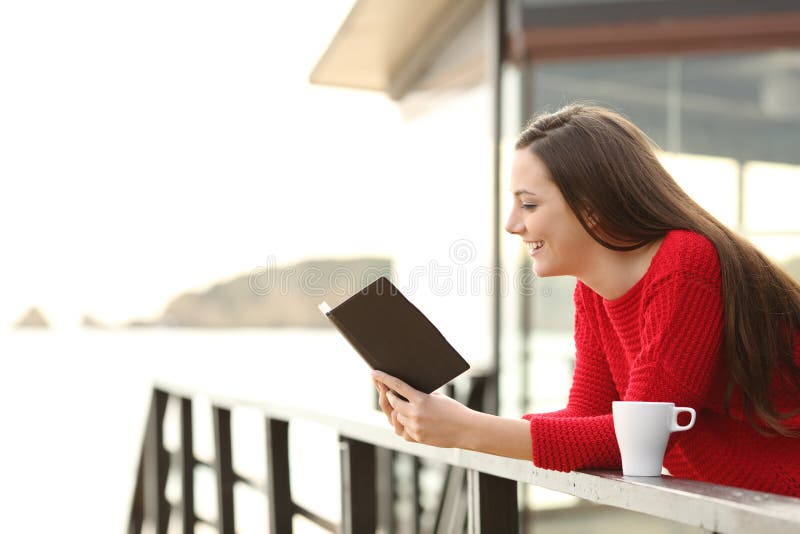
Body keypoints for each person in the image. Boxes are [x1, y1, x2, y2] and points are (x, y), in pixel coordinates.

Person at [372, 104, 800, 498]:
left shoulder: (684, 265)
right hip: (755, 507)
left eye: (528, 204)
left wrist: (468, 430)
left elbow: (638, 441)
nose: (512, 224)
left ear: (592, 205)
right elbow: (586, 417)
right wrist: (451, 421)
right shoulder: (592, 292)